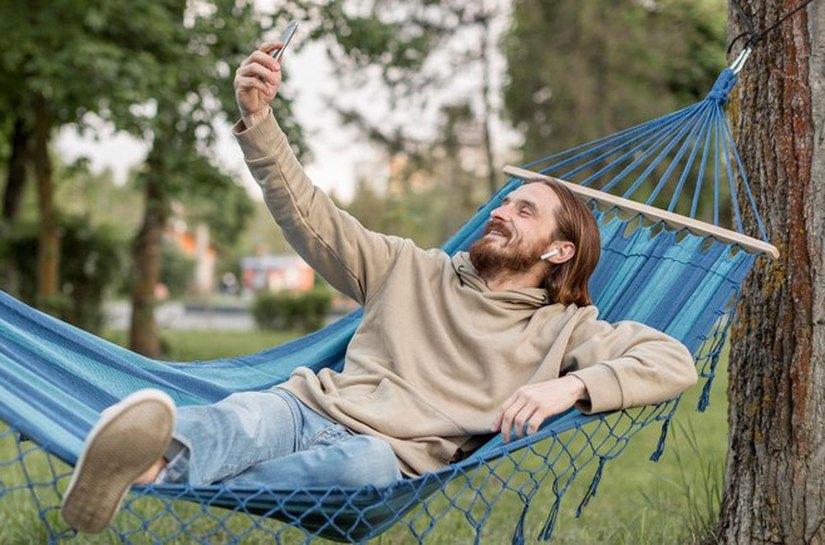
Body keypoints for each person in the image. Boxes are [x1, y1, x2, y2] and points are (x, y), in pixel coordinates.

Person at [60, 42, 697, 534]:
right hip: (308, 408)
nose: (502, 212)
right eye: (507, 203)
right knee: (250, 415)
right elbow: (310, 215)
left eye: (525, 212)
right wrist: (258, 119)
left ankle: (166, 473)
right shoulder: (410, 268)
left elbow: (673, 360)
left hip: (384, 461)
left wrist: (573, 383)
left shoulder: (567, 330)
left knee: (359, 468)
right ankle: (145, 464)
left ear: (560, 252)